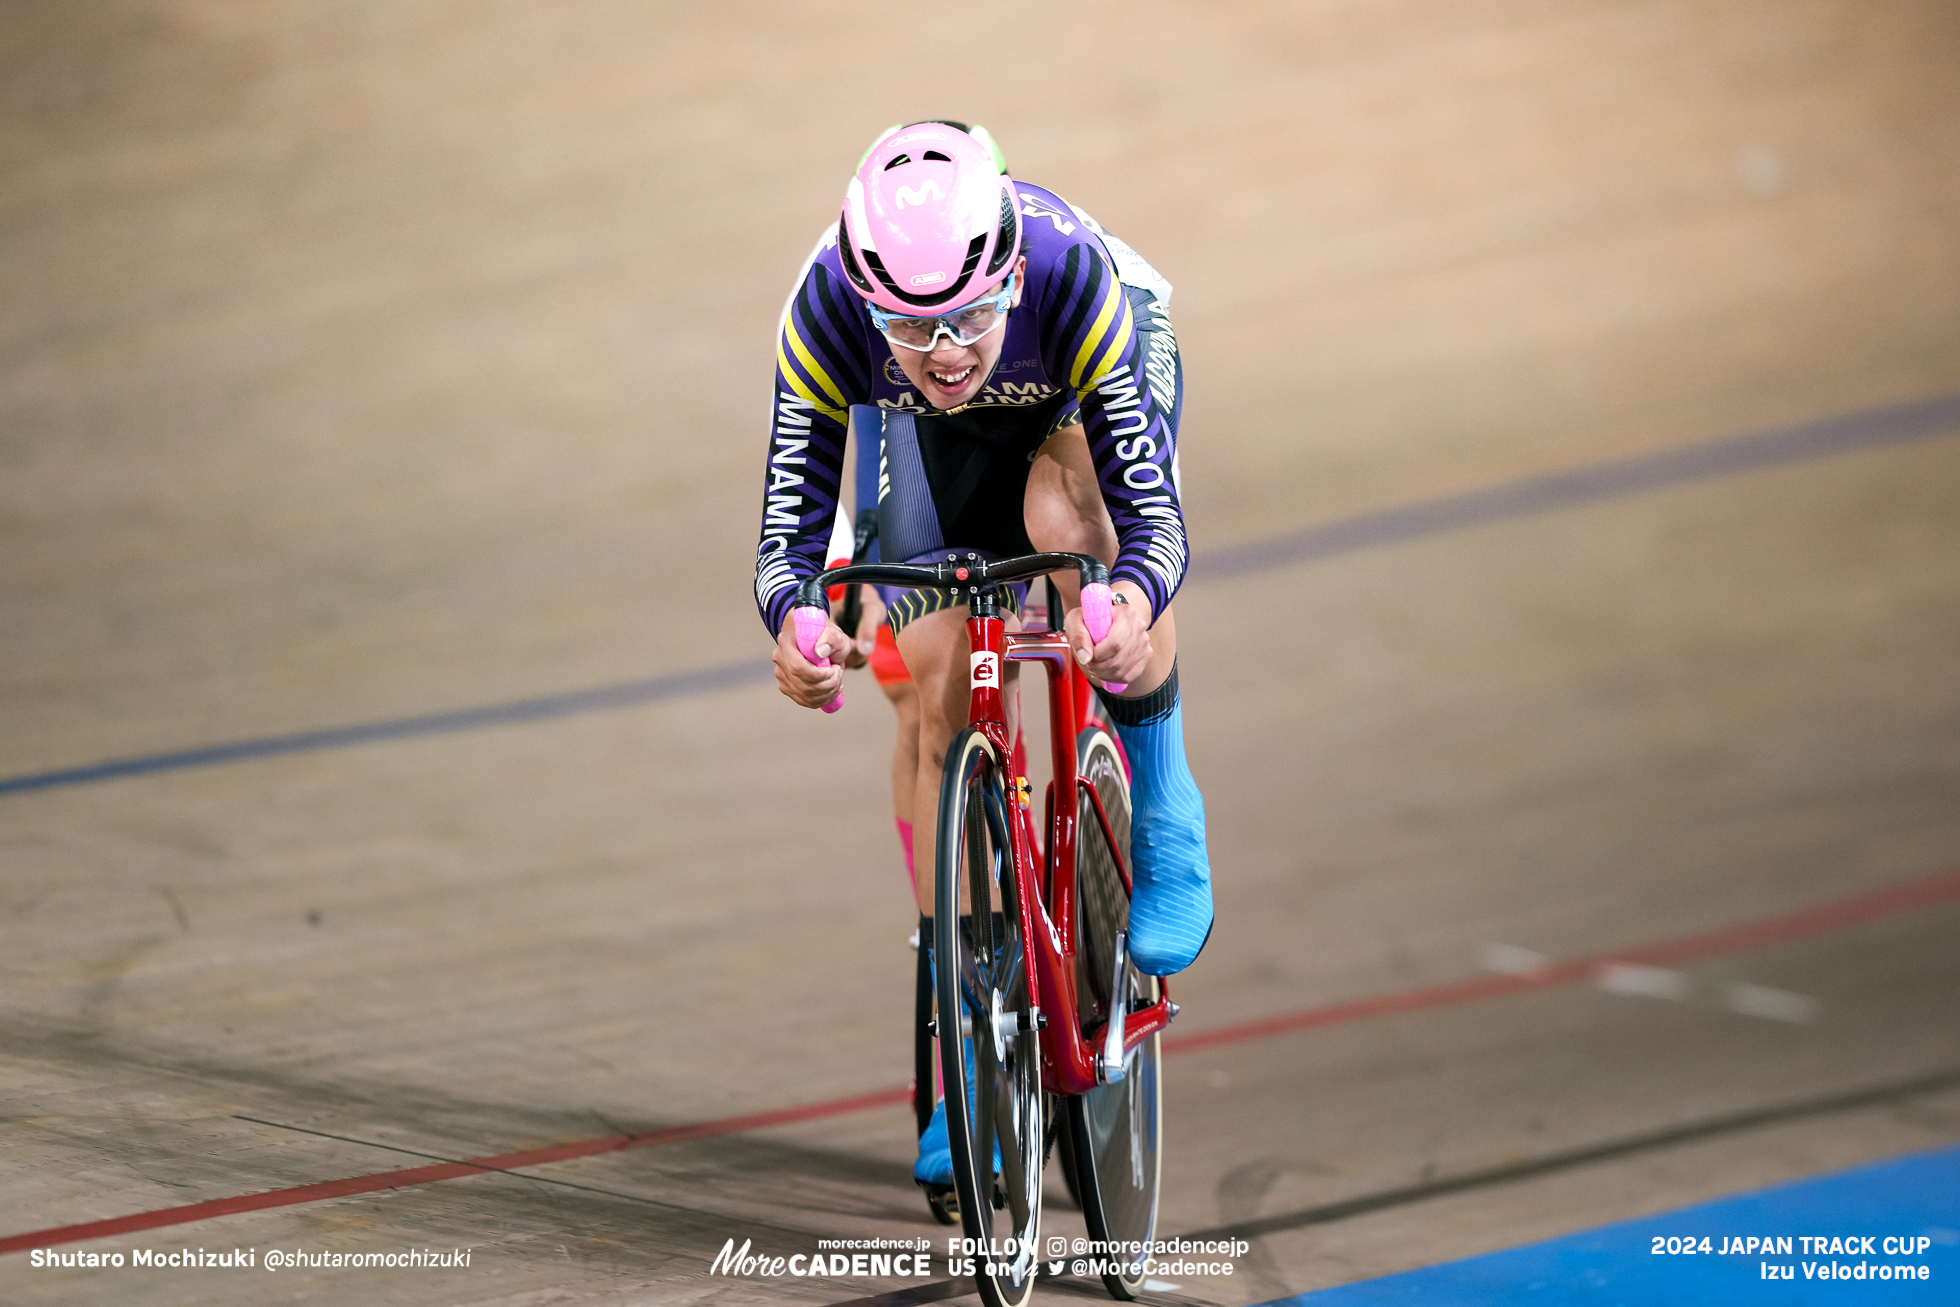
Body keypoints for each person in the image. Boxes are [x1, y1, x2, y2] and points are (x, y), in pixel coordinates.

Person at [754, 120, 1211, 1187]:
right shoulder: (823, 314)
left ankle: (1167, 805)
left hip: (1070, 399)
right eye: (912, 329)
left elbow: (1155, 522)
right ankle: (968, 1036)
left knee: (1067, 520)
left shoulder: (1069, 278)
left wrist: (1127, 602)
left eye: (965, 316)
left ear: (1006, 273)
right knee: (932, 677)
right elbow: (788, 533)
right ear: (868, 304)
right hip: (929, 433)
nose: (946, 348)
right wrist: (800, 624)